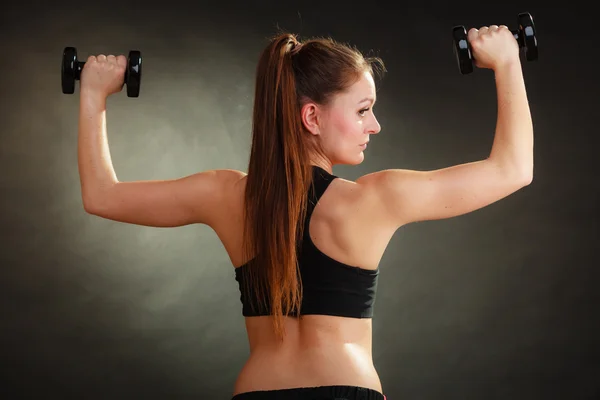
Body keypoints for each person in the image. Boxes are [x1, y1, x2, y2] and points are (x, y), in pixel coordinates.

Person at [77, 24, 533, 400]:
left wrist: (93, 93)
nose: (374, 125)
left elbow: (101, 195)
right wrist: (507, 62)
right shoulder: (374, 199)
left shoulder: (224, 195)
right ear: (312, 118)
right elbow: (513, 169)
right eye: (363, 110)